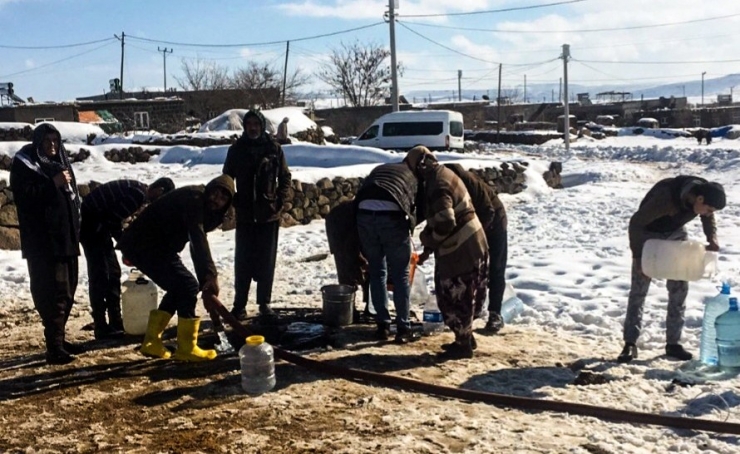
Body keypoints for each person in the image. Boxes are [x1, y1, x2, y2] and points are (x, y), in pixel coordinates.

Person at [117, 175, 234, 361]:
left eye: (222, 198)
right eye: (215, 194)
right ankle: (187, 347)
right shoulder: (195, 199)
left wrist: (206, 279)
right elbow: (198, 238)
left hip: (153, 246)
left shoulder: (200, 204)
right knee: (187, 286)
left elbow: (197, 243)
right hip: (145, 245)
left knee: (180, 287)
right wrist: (210, 276)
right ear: (209, 190)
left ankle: (152, 342)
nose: (216, 199)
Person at [618, 176, 726, 363]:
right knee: (639, 291)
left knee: (679, 288)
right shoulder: (665, 198)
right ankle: (629, 343)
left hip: (675, 231)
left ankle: (673, 344)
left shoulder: (704, 192)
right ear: (699, 199)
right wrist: (638, 259)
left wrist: (712, 237)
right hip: (647, 234)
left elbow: (708, 216)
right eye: (708, 209)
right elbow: (636, 223)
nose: (708, 213)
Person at [10, 123, 83, 365]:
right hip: (44, 244)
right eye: (47, 141)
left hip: (66, 240)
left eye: (56, 141)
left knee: (69, 290)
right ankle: (54, 347)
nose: (52, 146)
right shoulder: (25, 165)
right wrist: (52, 183)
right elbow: (25, 197)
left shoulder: (61, 164)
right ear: (38, 143)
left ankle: (59, 339)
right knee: (53, 294)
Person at [409, 147, 488, 359]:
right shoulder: (444, 173)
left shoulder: (437, 185)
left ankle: (462, 345)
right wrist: (429, 249)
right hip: (472, 240)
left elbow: (445, 221)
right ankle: (465, 337)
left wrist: (428, 240)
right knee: (465, 295)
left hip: (461, 248)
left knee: (455, 295)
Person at [80, 177, 175, 340]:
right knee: (101, 276)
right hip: (92, 228)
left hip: (97, 227)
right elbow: (113, 221)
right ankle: (101, 326)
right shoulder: (137, 195)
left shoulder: (136, 189)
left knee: (113, 273)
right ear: (159, 191)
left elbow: (111, 219)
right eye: (161, 198)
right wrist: (126, 247)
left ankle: (115, 321)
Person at [224, 110, 292, 320]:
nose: (252, 127)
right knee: (243, 261)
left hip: (268, 215)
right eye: (249, 124)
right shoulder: (237, 150)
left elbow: (285, 177)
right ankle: (240, 304)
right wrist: (234, 200)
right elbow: (227, 177)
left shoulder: (273, 148)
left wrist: (279, 200)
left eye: (256, 124)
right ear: (245, 126)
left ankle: (264, 303)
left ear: (262, 126)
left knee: (266, 261)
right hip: (245, 215)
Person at [354, 158, 422, 344]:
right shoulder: (412, 176)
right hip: (392, 216)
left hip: (364, 214)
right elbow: (417, 207)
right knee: (401, 274)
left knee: (376, 272)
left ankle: (382, 326)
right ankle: (402, 327)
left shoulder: (382, 168)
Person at [444, 163, 509, 334]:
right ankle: (471, 311)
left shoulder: (469, 183)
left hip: (494, 223)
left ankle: (495, 314)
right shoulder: (448, 185)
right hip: (473, 224)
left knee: (495, 267)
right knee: (471, 270)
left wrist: (477, 237)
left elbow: (489, 212)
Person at [325, 200, 369, 315]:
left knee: (368, 269)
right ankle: (348, 308)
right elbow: (350, 246)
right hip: (339, 225)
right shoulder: (358, 221)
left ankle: (370, 306)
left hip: (354, 226)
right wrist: (361, 261)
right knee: (346, 269)